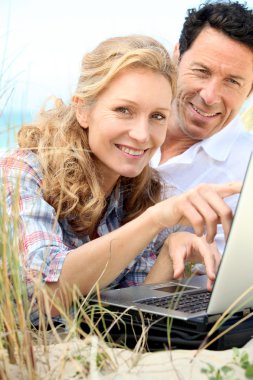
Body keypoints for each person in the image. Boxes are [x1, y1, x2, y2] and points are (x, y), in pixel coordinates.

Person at [0, 35, 240, 325]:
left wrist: (168, 253)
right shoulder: (22, 171)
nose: (141, 134)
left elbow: (121, 321)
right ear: (83, 110)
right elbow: (40, 297)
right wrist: (153, 221)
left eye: (157, 116)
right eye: (123, 110)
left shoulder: (141, 190)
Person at [151, 1, 253, 255]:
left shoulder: (246, 171)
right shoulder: (125, 124)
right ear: (177, 57)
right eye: (201, 71)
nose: (209, 96)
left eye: (232, 81)